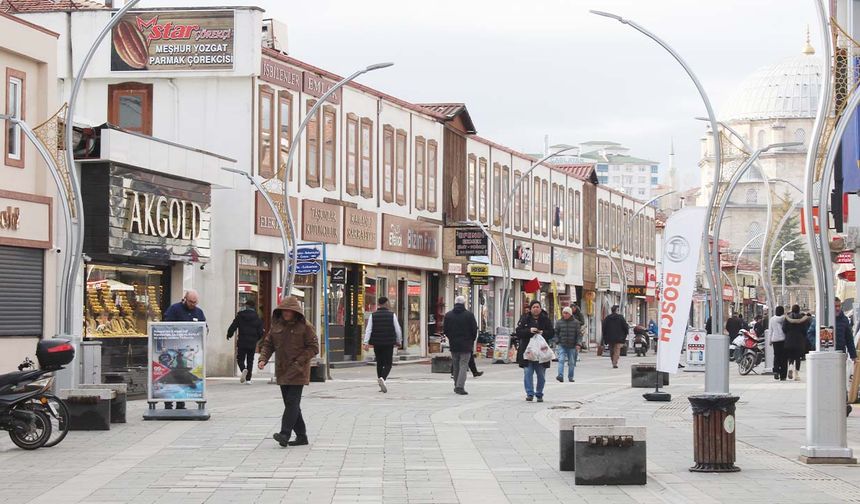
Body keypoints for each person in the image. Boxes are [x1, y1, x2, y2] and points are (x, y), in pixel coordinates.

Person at [258, 296, 319, 447]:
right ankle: (302, 436)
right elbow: (268, 344)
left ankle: (285, 433)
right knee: (291, 404)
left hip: (298, 371)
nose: (286, 313)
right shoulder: (276, 326)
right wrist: (263, 359)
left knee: (292, 402)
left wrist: (300, 361)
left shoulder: (305, 326)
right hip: (282, 369)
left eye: (289, 311)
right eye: (284, 310)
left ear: (295, 312)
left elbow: (314, 347)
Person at [162, 289, 206, 410]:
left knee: (183, 377)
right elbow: (166, 325)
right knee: (172, 377)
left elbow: (204, 328)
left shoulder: (199, 312)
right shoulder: (174, 309)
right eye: (191, 302)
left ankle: (181, 404)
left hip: (189, 351)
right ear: (185, 299)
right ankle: (168, 404)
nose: (193, 304)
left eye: (195, 302)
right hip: (173, 349)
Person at [516, 300, 554, 402]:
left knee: (541, 374)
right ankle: (529, 393)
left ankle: (539, 393)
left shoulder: (545, 319)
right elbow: (518, 332)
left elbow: (551, 333)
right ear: (531, 309)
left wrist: (542, 332)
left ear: (540, 308)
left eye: (537, 307)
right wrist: (529, 331)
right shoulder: (525, 319)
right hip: (528, 351)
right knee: (528, 373)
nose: (536, 309)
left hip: (542, 352)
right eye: (534, 307)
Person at [363, 297, 402, 393]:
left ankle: (381, 381)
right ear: (386, 303)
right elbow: (397, 329)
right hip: (388, 343)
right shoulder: (392, 315)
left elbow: (368, 329)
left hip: (377, 343)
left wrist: (365, 342)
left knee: (379, 363)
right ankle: (383, 379)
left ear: (379, 304)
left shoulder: (373, 315)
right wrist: (399, 340)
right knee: (388, 363)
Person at [443, 296, 478, 396]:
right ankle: (460, 386)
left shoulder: (448, 315)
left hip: (454, 343)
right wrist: (472, 339)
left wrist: (451, 338)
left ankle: (456, 384)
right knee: (463, 365)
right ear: (464, 303)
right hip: (466, 344)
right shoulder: (469, 315)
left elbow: (445, 330)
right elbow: (474, 329)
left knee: (456, 365)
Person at [227, 299, 264, 384]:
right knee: (250, 360)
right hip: (252, 342)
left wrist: (229, 334)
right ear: (253, 307)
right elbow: (261, 332)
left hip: (242, 341)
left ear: (246, 306)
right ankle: (248, 379)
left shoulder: (240, 316)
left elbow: (233, 326)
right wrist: (256, 339)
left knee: (240, 358)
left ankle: (243, 369)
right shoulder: (257, 317)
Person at [784, 305, 811, 381]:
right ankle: (796, 374)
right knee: (798, 357)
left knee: (791, 356)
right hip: (799, 340)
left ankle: (790, 367)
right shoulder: (803, 318)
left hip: (789, 340)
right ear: (799, 310)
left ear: (792, 310)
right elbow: (805, 330)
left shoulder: (787, 318)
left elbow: (784, 328)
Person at [555, 306, 582, 382]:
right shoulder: (559, 322)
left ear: (570, 314)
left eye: (566, 313)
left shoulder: (576, 323)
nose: (565, 314)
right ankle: (560, 375)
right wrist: (557, 341)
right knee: (561, 360)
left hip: (572, 345)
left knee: (571, 362)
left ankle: (570, 377)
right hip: (562, 344)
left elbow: (579, 335)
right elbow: (556, 333)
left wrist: (578, 344)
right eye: (563, 313)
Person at [835, 297, 858, 362]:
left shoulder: (844, 320)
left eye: (839, 306)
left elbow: (849, 339)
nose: (838, 308)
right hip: (825, 354)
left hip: (840, 354)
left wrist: (853, 356)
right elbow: (811, 333)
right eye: (835, 306)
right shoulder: (822, 319)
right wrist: (817, 345)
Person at [769, 306, 788, 381]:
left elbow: (770, 331)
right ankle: (783, 375)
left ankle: (776, 370)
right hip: (783, 339)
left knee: (776, 356)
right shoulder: (785, 318)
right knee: (784, 358)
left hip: (775, 340)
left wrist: (770, 340)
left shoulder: (772, 319)